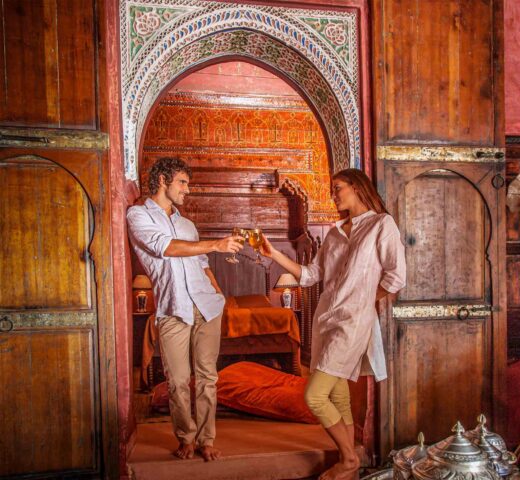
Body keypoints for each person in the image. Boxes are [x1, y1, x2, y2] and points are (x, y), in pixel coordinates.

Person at [260, 168, 406, 480]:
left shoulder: (382, 225)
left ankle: (350, 460)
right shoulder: (336, 232)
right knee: (338, 395)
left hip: (352, 323)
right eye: (332, 188)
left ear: (357, 187)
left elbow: (396, 278)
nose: (333, 193)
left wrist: (364, 302)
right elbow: (310, 275)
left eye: (337, 187)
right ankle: (347, 461)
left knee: (314, 396)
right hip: (325, 320)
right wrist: (272, 253)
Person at [126, 157, 244, 461]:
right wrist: (215, 245)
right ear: (163, 180)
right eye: (183, 182)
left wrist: (218, 294)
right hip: (172, 308)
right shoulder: (138, 216)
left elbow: (201, 264)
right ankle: (185, 436)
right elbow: (164, 248)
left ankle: (206, 439)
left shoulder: (188, 224)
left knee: (207, 378)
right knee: (177, 380)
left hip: (207, 308)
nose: (187, 190)